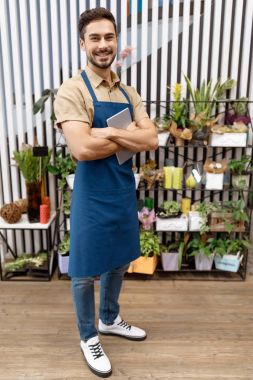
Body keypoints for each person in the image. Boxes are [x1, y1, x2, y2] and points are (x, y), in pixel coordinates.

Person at [54, 7, 158, 378]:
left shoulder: (128, 90)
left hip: (121, 190)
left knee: (119, 259)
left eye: (109, 37)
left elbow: (152, 138)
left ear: (117, 41)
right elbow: (81, 149)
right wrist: (129, 137)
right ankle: (88, 335)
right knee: (83, 270)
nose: (103, 45)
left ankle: (109, 318)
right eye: (95, 38)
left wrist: (109, 132)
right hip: (92, 194)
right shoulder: (73, 89)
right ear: (83, 43)